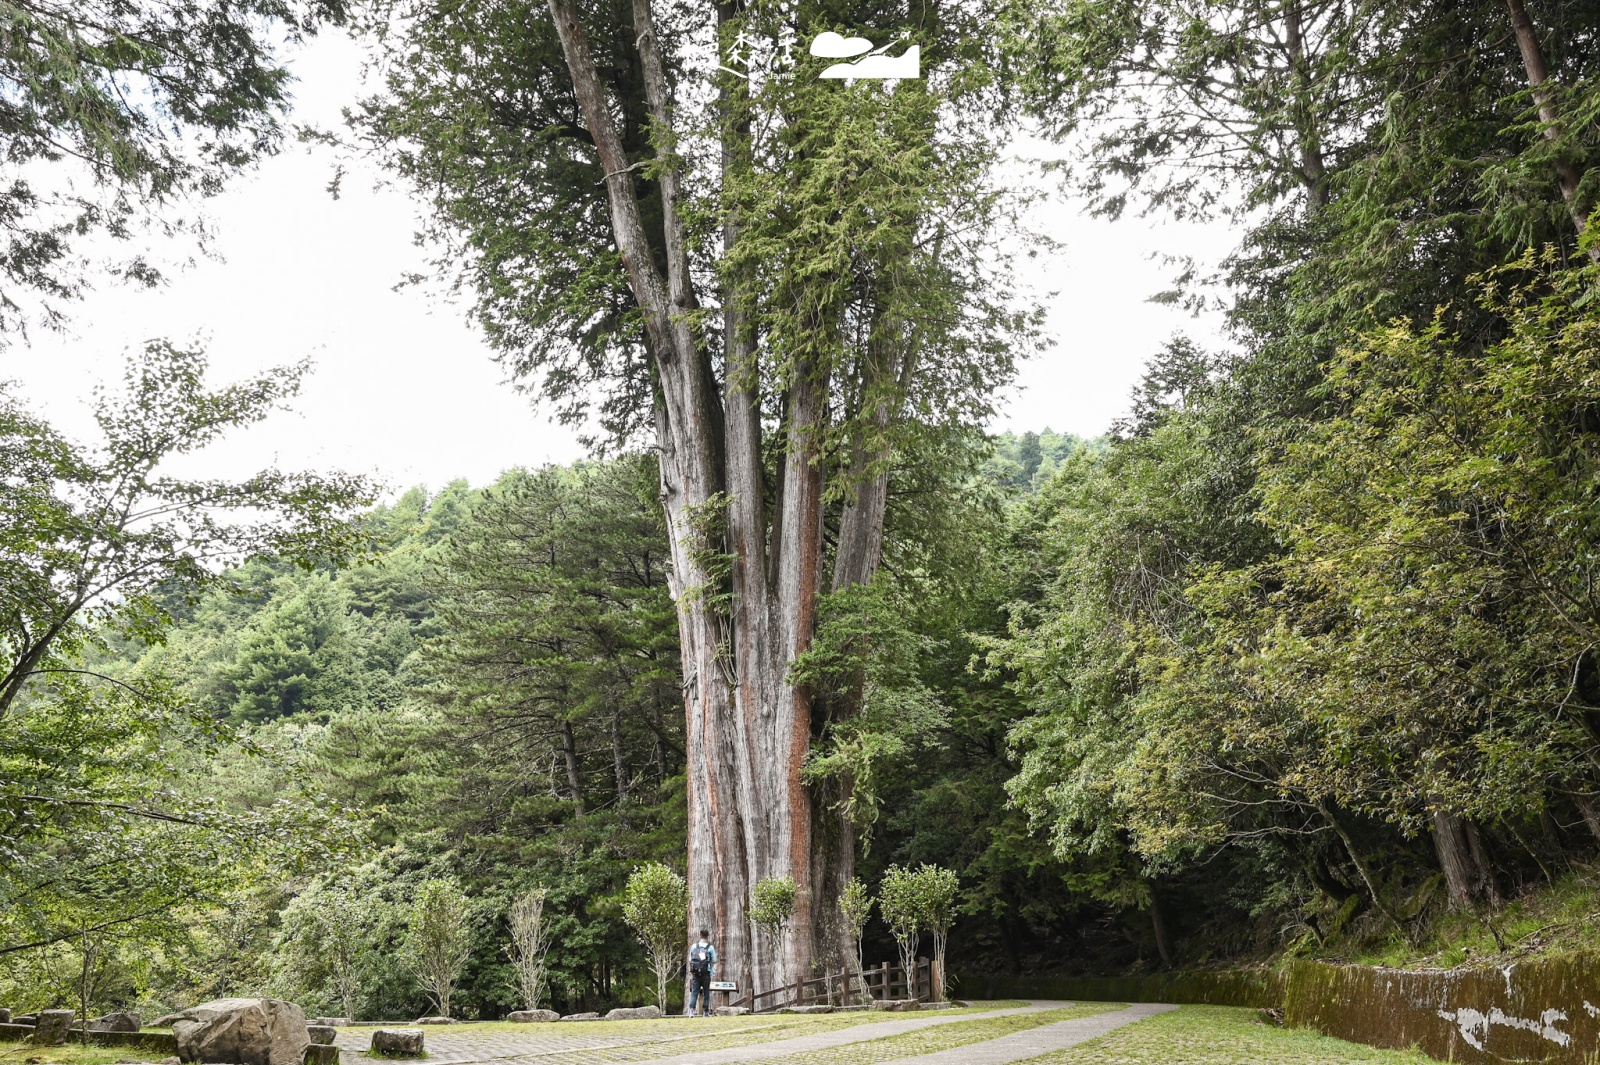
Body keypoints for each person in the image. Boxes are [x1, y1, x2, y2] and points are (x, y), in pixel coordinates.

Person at [687, 928, 718, 1017]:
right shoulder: (710, 947)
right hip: (706, 973)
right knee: (706, 993)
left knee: (694, 992)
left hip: (695, 974)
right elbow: (714, 960)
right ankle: (705, 1012)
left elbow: (690, 959)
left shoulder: (694, 946)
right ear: (707, 936)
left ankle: (691, 1011)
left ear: (700, 936)